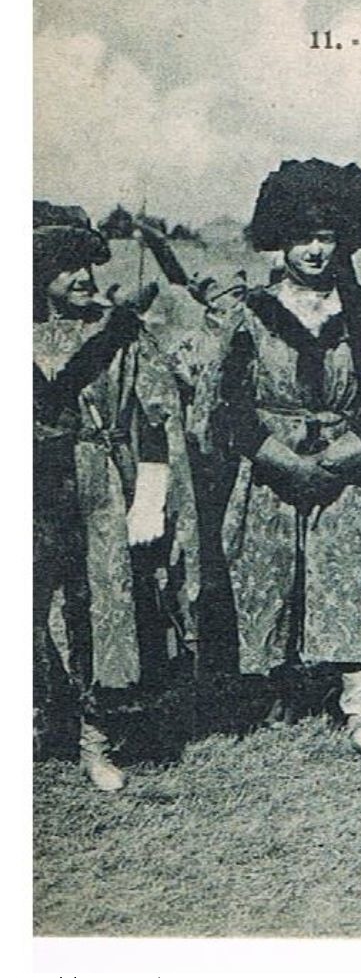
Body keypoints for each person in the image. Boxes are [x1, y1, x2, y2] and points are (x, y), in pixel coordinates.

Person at [205, 159, 361, 761]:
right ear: (280, 240)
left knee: (351, 580)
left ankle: (360, 711)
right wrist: (280, 459)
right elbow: (228, 405)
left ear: (343, 241)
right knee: (275, 578)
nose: (313, 250)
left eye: (326, 238)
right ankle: (278, 691)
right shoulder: (250, 313)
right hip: (270, 465)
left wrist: (336, 460)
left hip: (348, 468)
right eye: (302, 237)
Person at [34, 201, 199, 791]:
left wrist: (149, 496)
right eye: (63, 267)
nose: (81, 277)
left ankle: (94, 739)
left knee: (96, 611)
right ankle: (40, 720)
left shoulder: (121, 333)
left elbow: (156, 416)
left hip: (98, 488)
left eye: (86, 264)